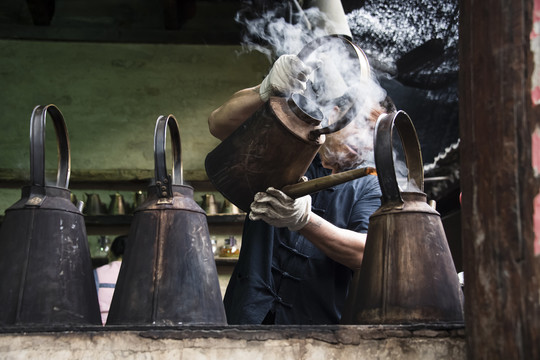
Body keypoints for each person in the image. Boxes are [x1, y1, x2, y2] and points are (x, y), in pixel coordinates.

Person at [208, 52, 392, 324]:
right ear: (334, 114)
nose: (363, 140)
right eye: (362, 123)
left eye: (373, 134)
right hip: (245, 317)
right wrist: (264, 90)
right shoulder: (289, 145)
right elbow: (218, 125)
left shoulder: (369, 184)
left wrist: (303, 221)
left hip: (318, 329)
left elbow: (366, 253)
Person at [95, 235, 126, 325]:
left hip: (101, 325)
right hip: (127, 326)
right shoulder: (138, 274)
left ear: (111, 253)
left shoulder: (98, 272)